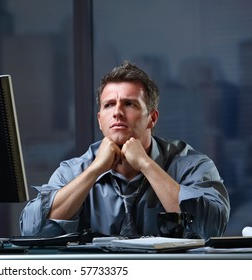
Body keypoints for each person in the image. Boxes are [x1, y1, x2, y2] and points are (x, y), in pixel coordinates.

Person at [19, 61, 230, 240]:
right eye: (109, 105)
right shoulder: (75, 171)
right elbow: (32, 231)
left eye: (129, 104)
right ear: (100, 120)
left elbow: (211, 227)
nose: (118, 112)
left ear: (152, 118)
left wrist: (146, 165)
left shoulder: (192, 166)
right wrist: (95, 170)